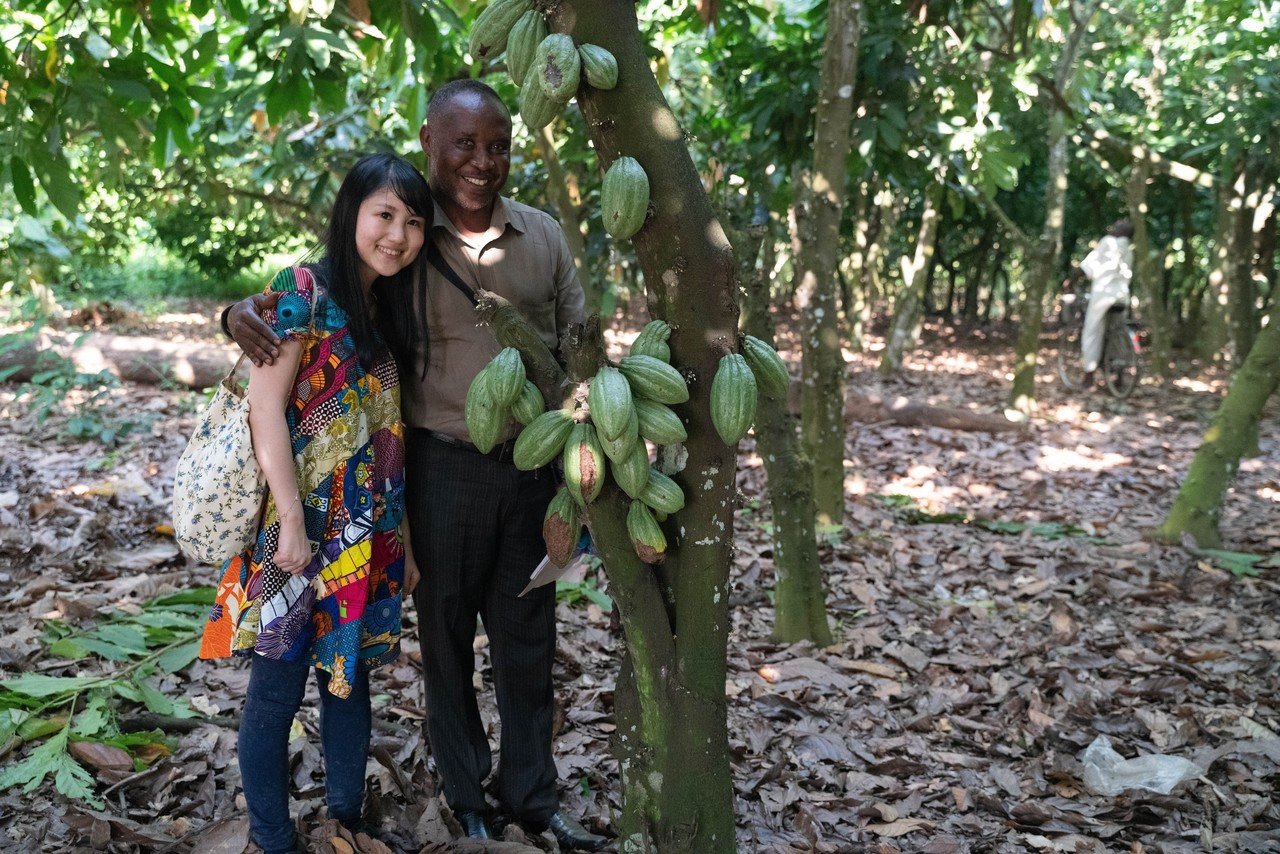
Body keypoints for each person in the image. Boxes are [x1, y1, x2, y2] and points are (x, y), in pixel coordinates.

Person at [225, 81, 606, 850]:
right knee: (440, 643)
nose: (482, 160)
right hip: (429, 475)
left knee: (525, 643)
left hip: (521, 471)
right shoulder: (396, 250)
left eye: (497, 145)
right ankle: (461, 798)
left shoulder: (539, 238)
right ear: (430, 140)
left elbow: (583, 349)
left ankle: (530, 796)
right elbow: (298, 313)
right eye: (463, 143)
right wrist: (234, 313)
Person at [200, 152, 428, 854]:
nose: (398, 235)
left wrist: (407, 542)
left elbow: (392, 437)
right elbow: (266, 411)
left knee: (348, 681)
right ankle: (273, 838)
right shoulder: (302, 289)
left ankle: (344, 822)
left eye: (414, 222)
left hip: (371, 527)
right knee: (277, 685)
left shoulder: (391, 306)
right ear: (351, 214)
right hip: (298, 524)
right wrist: (294, 523)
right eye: (384, 215)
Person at [1079, 219, 1135, 386]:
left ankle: (1088, 375)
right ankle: (1118, 377)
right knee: (1117, 331)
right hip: (1121, 296)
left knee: (1092, 330)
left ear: (1121, 231)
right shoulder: (1130, 251)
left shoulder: (1108, 242)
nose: (1113, 228)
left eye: (1117, 226)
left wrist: (1070, 281)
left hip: (1102, 295)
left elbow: (1088, 267)